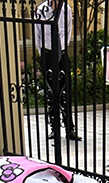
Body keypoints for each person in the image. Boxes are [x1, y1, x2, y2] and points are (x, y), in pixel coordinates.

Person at [34, 0, 80, 141]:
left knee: (66, 91)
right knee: (51, 92)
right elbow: (37, 36)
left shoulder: (66, 9)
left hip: (62, 53)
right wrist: (44, 54)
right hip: (48, 54)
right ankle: (54, 128)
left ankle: (69, 128)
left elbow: (68, 31)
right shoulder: (41, 11)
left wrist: (61, 50)